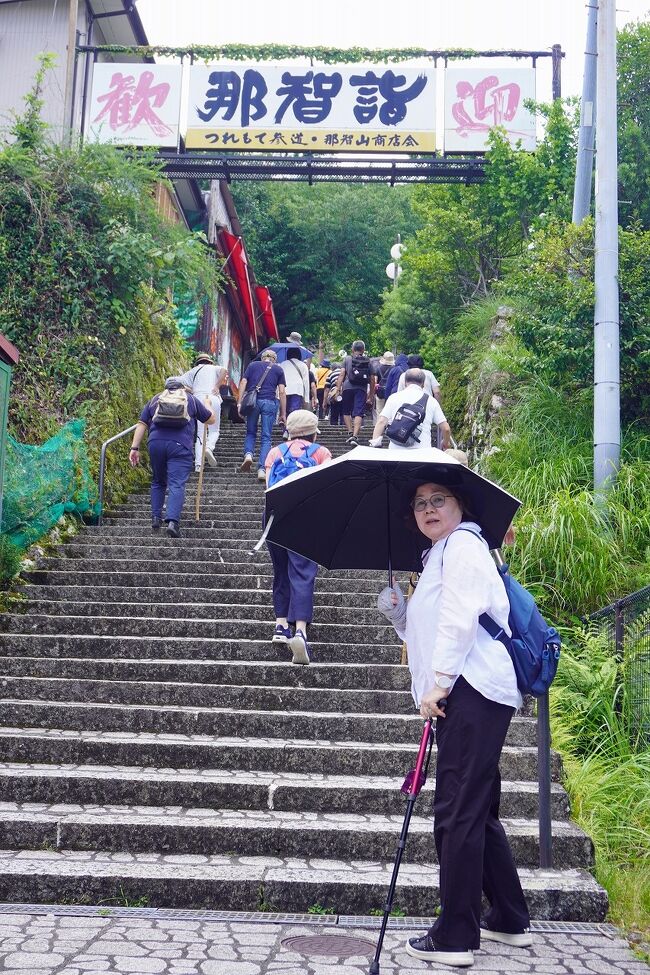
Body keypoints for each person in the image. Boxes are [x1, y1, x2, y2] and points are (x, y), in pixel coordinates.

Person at [377, 481, 531, 968]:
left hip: (471, 690)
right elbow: (432, 627)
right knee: (477, 809)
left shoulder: (463, 545)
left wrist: (438, 684)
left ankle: (456, 936)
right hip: (469, 692)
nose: (427, 509)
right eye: (419, 503)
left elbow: (462, 620)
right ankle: (507, 915)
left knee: (456, 813)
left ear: (459, 504)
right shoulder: (439, 555)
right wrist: (400, 616)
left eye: (437, 499)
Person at [265, 410, 332, 665]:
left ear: (289, 430)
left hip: (275, 515)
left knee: (281, 570)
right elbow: (326, 487)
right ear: (314, 431)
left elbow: (268, 486)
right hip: (307, 515)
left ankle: (281, 625)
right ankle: (300, 630)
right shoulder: (320, 452)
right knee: (303, 572)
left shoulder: (275, 452)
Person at [129, 378, 214, 538]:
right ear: (182, 387)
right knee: (176, 483)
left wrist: (134, 448)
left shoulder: (155, 399)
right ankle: (172, 523)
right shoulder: (190, 399)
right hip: (180, 445)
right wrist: (208, 405)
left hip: (156, 443)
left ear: (166, 388)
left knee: (158, 481)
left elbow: (142, 424)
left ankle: (156, 518)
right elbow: (210, 419)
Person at [371, 368, 451, 450]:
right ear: (423, 384)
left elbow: (381, 422)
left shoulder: (394, 398)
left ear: (405, 382)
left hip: (396, 453)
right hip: (422, 453)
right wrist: (446, 442)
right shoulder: (431, 401)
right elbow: (446, 428)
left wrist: (375, 444)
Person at [238, 348, 286, 482]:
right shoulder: (278, 369)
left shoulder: (253, 365)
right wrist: (283, 413)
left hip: (253, 402)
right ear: (274, 360)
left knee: (251, 432)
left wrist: (239, 402)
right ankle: (262, 469)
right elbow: (281, 392)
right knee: (266, 437)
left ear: (262, 358)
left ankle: (248, 455)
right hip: (270, 402)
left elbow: (243, 382)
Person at [177, 353, 227, 472]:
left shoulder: (193, 371)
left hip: (198, 400)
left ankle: (198, 465)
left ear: (198, 362)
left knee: (200, 433)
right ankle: (209, 447)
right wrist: (216, 386)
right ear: (209, 361)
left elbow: (177, 382)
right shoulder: (214, 368)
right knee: (214, 430)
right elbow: (224, 370)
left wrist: (192, 389)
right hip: (212, 398)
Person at [334, 339, 377, 446]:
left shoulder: (347, 359)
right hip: (361, 389)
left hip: (347, 387)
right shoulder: (368, 361)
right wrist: (370, 395)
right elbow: (372, 379)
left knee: (346, 411)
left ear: (352, 349)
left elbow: (342, 374)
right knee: (358, 412)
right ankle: (355, 435)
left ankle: (349, 431)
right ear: (363, 349)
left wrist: (337, 388)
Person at [281, 346, 314, 419]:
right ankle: (293, 428)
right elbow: (306, 382)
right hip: (297, 390)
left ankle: (285, 429)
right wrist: (306, 398)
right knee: (295, 411)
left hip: (284, 390)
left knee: (284, 411)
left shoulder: (283, 364)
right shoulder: (303, 365)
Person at [374, 351, 395, 419]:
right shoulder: (394, 369)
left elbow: (375, 381)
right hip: (390, 392)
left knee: (379, 411)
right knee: (390, 411)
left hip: (380, 392)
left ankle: (379, 427)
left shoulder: (378, 368)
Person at [322, 362, 344, 426]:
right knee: (344, 411)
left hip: (333, 394)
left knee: (334, 411)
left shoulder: (330, 374)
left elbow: (326, 389)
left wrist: (325, 401)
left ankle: (334, 425)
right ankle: (344, 425)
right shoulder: (345, 372)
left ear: (332, 368)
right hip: (344, 392)